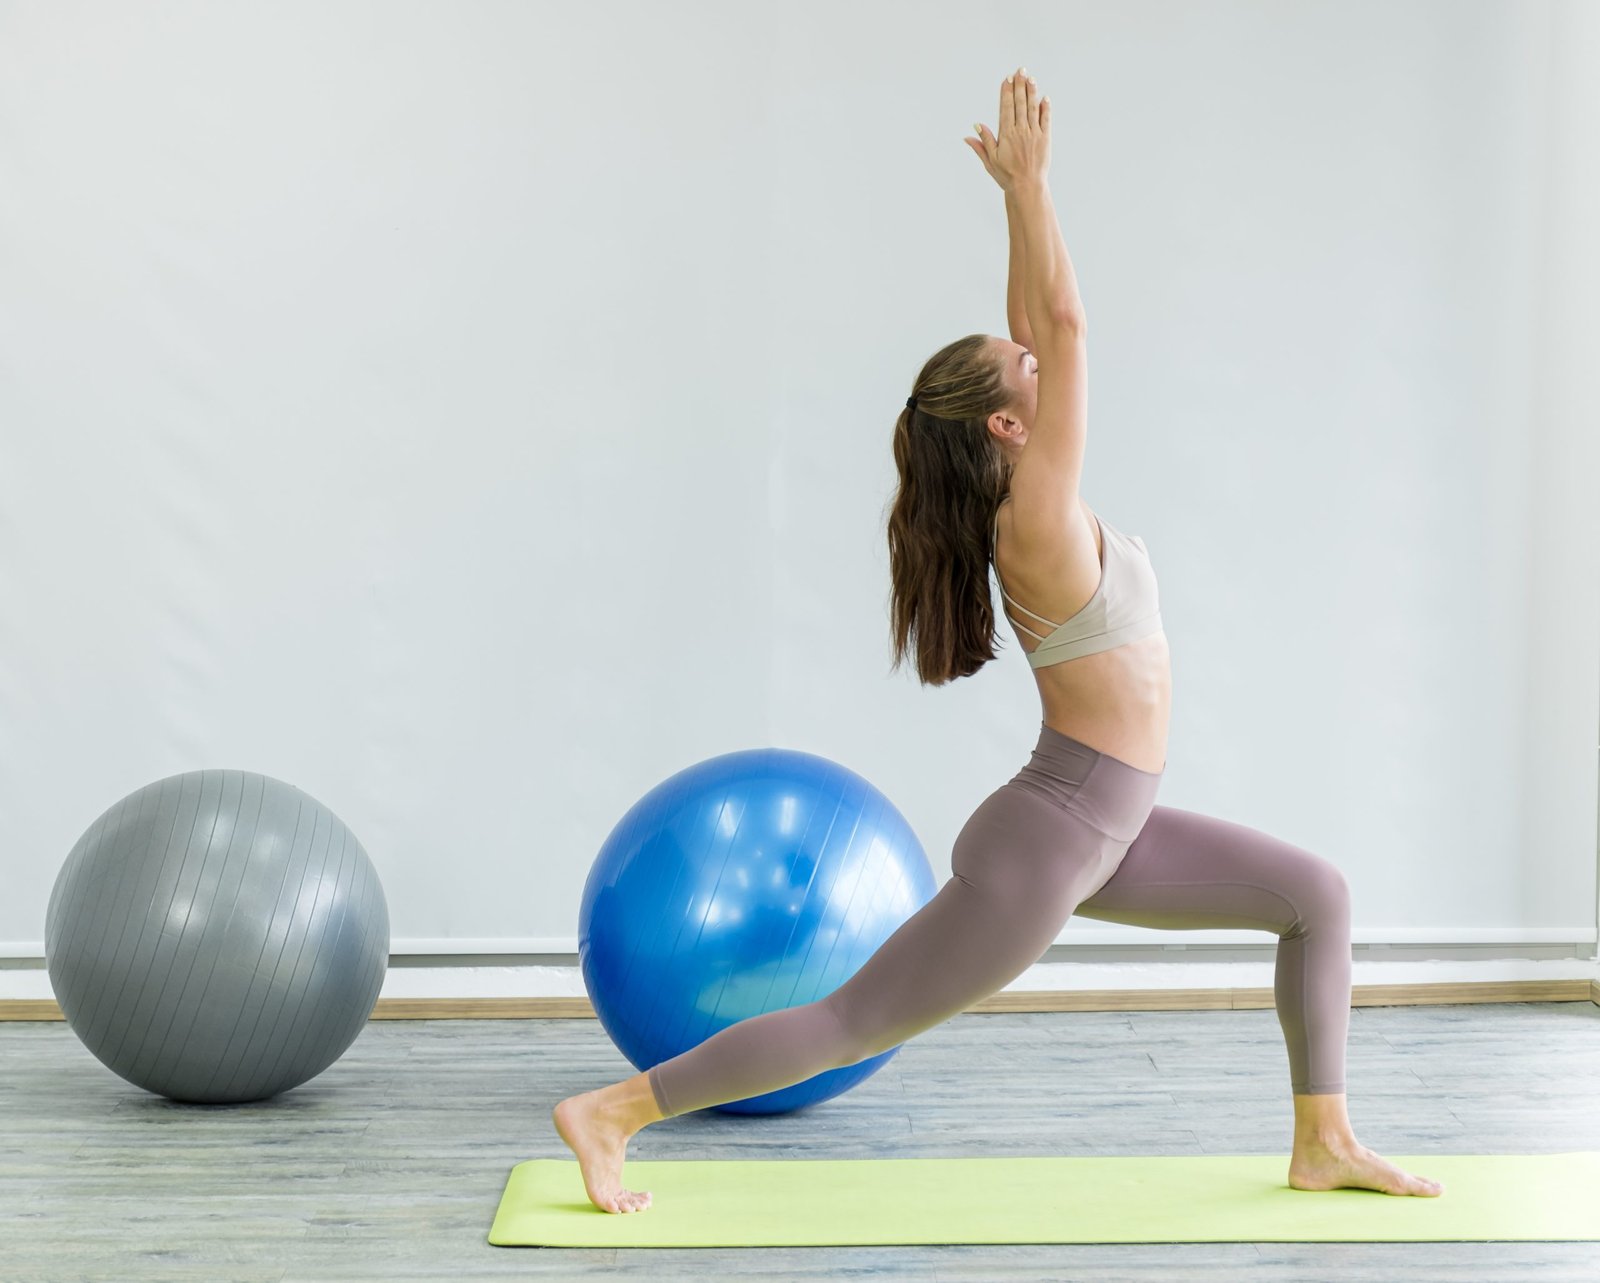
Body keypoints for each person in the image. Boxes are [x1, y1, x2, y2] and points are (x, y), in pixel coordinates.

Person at [553, 67, 1443, 1213]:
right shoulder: (1032, 519)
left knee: (1314, 892)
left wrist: (1014, 207)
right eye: (1020, 370)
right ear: (1008, 424)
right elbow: (1062, 323)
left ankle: (1324, 1138)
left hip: (1101, 821)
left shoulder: (1032, 499)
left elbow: (1037, 326)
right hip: (1055, 832)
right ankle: (615, 1110)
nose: (1038, 352)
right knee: (850, 1019)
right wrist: (1031, 188)